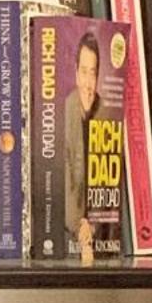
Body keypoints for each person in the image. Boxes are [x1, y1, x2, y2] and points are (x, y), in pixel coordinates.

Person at [62, 30, 100, 260]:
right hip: (70, 233)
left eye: (93, 74)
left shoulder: (103, 109)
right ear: (76, 74)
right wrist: (80, 227)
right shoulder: (68, 111)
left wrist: (91, 226)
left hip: (94, 233)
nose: (88, 83)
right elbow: (67, 180)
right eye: (83, 72)